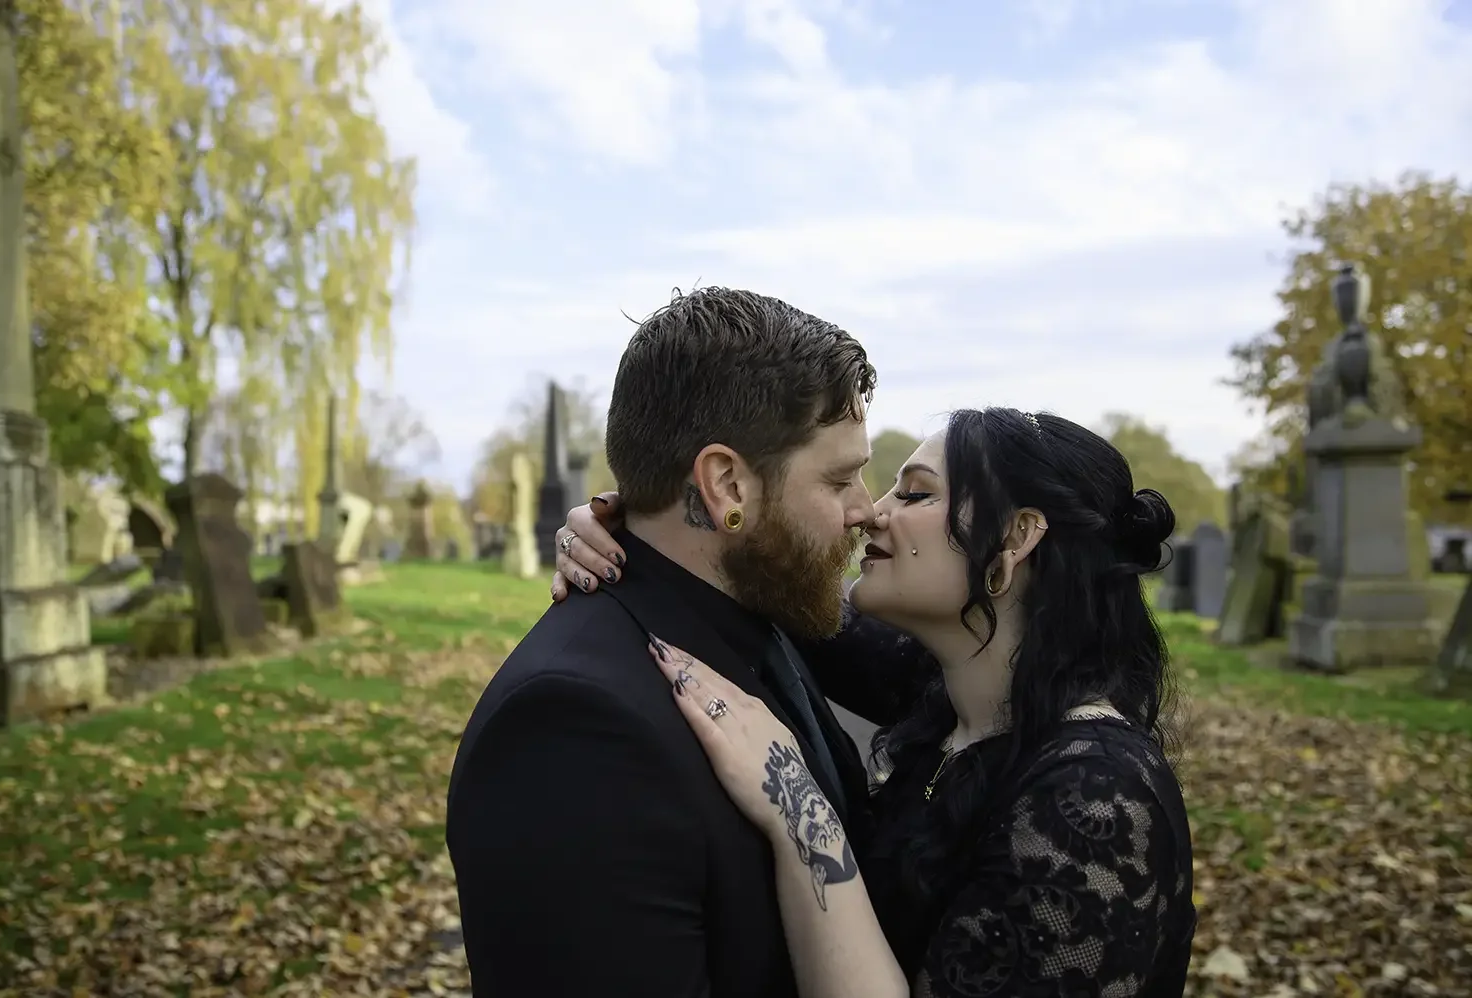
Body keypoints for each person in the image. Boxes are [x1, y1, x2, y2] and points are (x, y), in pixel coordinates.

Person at [551, 407, 1196, 997]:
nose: (871, 512)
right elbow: (764, 580)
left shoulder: (1096, 800)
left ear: (1015, 537)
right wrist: (639, 524)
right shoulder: (942, 691)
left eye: (915, 493)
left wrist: (797, 809)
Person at [445, 286, 890, 997]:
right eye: (839, 478)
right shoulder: (572, 733)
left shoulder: (764, 613)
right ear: (725, 484)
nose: (868, 509)